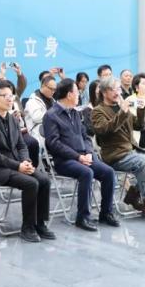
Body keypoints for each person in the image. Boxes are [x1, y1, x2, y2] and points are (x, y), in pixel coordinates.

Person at [0, 80, 55, 243]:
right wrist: (18, 166)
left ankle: (40, 223)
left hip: (15, 165)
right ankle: (27, 227)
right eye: (4, 96)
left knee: (44, 180)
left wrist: (26, 161)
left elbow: (21, 144)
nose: (9, 99)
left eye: (11, 95)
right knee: (31, 183)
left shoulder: (12, 119)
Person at [43, 79, 119, 231]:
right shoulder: (51, 115)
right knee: (86, 172)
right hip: (65, 160)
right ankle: (82, 217)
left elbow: (86, 137)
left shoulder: (75, 113)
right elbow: (54, 144)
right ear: (69, 95)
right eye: (77, 92)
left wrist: (89, 153)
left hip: (84, 156)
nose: (79, 95)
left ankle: (106, 213)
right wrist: (77, 157)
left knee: (108, 172)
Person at [92, 76, 145, 221]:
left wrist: (141, 110)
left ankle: (133, 194)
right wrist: (122, 111)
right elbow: (104, 130)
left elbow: (139, 125)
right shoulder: (98, 111)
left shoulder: (122, 107)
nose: (118, 92)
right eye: (114, 89)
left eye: (118, 89)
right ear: (104, 92)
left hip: (131, 151)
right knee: (143, 161)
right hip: (114, 155)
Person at [24, 75, 56, 145]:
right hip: (38, 132)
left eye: (55, 89)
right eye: (51, 89)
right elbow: (37, 118)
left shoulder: (52, 100)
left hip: (51, 130)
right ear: (43, 86)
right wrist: (55, 114)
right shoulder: (33, 101)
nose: (53, 92)